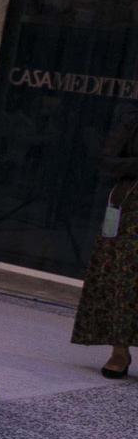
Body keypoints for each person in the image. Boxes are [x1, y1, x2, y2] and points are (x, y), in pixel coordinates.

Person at [74, 102, 138, 378]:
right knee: (122, 280)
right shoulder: (133, 119)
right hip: (133, 210)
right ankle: (119, 350)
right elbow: (106, 159)